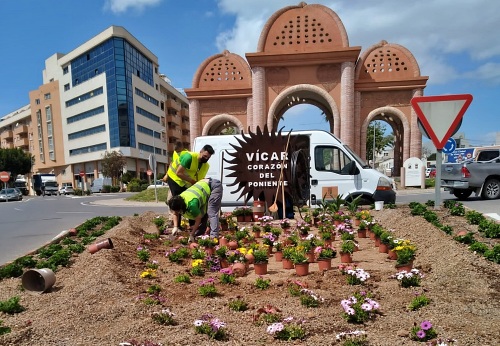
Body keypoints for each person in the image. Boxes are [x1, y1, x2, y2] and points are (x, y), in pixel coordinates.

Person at [165, 144, 214, 226]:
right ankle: (177, 226)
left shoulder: (206, 165)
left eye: (208, 158)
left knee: (189, 200)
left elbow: (200, 179)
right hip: (174, 179)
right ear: (201, 151)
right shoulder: (189, 157)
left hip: (186, 182)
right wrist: (192, 181)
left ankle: (192, 224)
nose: (206, 159)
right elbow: (179, 173)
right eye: (205, 156)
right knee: (178, 200)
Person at [167, 178, 223, 242]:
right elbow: (175, 213)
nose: (177, 212)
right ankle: (204, 232)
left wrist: (192, 234)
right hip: (204, 185)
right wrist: (175, 227)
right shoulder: (178, 200)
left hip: (214, 186)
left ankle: (214, 237)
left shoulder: (192, 205)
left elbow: (198, 220)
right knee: (204, 212)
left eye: (178, 210)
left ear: (181, 207)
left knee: (211, 211)